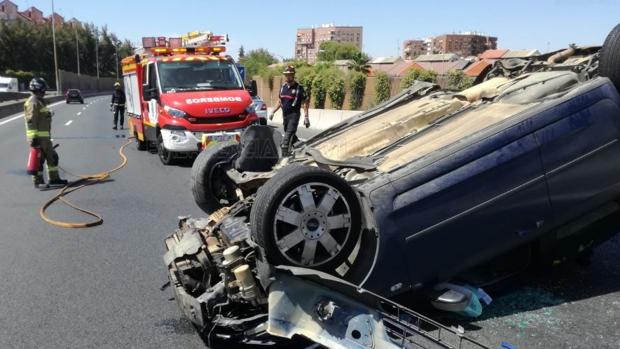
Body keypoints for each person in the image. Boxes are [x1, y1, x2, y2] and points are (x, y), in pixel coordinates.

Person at [24, 78, 68, 188]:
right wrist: (34, 138)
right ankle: (38, 182)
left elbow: (40, 116)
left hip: (45, 137)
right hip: (38, 137)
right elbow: (31, 120)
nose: (44, 92)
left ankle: (54, 179)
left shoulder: (39, 101)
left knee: (53, 157)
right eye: (43, 89)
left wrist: (48, 114)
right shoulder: (33, 102)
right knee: (39, 160)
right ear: (38, 89)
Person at [269, 65, 310, 155]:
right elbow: (280, 101)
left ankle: (284, 156)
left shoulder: (299, 88)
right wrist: (273, 112)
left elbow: (305, 103)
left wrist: (306, 117)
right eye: (286, 75)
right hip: (285, 115)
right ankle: (300, 146)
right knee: (290, 134)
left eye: (289, 75)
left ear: (293, 75)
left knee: (287, 136)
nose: (287, 77)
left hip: (294, 115)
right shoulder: (283, 87)